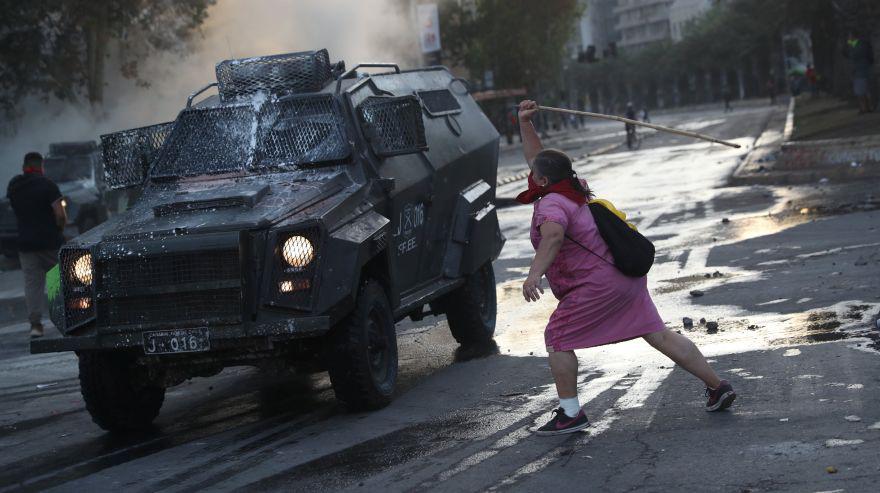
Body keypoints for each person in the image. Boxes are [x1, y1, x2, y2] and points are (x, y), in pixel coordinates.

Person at [515, 100, 736, 436]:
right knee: (658, 334)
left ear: (542, 180)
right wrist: (525, 122)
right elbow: (539, 160)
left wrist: (534, 274)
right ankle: (718, 387)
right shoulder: (572, 186)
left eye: (535, 174)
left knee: (557, 338)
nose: (532, 174)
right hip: (624, 278)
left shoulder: (553, 204)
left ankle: (570, 414)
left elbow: (554, 237)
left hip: (598, 285)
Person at [6, 152, 66, 338]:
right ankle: (63, 319)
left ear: (24, 166)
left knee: (32, 285)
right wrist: (60, 230)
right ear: (41, 166)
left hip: (26, 244)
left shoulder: (14, 186)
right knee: (57, 280)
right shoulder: (48, 185)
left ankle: (36, 325)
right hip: (49, 242)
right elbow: (60, 215)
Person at [844, 31, 875, 114]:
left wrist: (850, 46)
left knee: (862, 91)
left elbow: (855, 55)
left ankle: (866, 108)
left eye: (850, 36)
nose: (848, 38)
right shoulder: (854, 45)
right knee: (860, 91)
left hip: (861, 70)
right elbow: (847, 54)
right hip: (858, 71)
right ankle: (864, 108)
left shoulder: (860, 45)